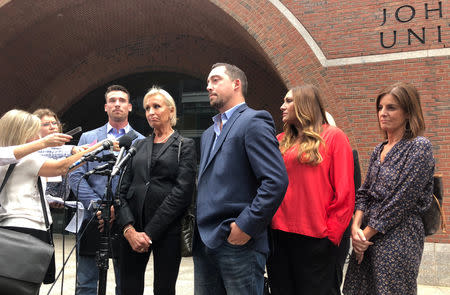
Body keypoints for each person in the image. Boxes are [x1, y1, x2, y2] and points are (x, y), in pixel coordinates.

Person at [194, 63, 289, 295]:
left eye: (215, 80)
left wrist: (246, 226)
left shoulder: (254, 121)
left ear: (236, 84)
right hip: (205, 243)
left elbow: (275, 181)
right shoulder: (208, 134)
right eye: (208, 82)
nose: (208, 86)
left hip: (239, 243)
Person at [343, 82, 435, 295]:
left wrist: (364, 236)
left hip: (398, 236)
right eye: (380, 108)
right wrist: (355, 228)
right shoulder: (379, 149)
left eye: (391, 108)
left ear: (408, 112)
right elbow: (364, 192)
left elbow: (401, 201)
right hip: (366, 237)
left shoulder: (419, 147)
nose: (383, 113)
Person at [0, 109, 106, 290]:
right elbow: (62, 167)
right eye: (33, 131)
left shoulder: (9, 157)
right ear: (21, 132)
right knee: (25, 286)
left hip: (11, 227)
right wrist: (100, 147)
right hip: (27, 227)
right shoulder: (26, 158)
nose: (37, 135)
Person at [266, 84, 355, 295]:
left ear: (305, 104)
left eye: (289, 101)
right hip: (278, 237)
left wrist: (331, 237)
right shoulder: (278, 141)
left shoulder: (334, 137)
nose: (282, 106)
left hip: (316, 239)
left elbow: (345, 194)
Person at [116, 86, 196, 295]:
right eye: (147, 108)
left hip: (167, 230)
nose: (151, 112)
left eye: (156, 106)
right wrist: (129, 230)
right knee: (128, 288)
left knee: (164, 288)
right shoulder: (138, 145)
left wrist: (149, 234)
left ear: (171, 111)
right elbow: (121, 191)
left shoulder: (184, 145)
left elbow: (182, 193)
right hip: (132, 228)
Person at [68, 85, 144, 295]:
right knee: (86, 283)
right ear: (105, 107)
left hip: (126, 219)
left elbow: (140, 182)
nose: (117, 104)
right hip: (93, 217)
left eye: (121, 100)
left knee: (127, 283)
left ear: (129, 107)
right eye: (112, 100)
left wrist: (119, 209)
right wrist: (98, 206)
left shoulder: (142, 142)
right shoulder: (88, 138)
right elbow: (75, 175)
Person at [34, 108, 85, 202]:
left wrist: (57, 200)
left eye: (54, 123)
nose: (52, 127)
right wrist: (72, 149)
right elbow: (42, 151)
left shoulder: (63, 151)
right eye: (46, 124)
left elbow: (64, 192)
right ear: (35, 128)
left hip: (54, 209)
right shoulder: (32, 149)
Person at [0, 133, 71, 166]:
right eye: (34, 132)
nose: (38, 137)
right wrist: (44, 142)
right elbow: (59, 168)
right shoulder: (25, 159)